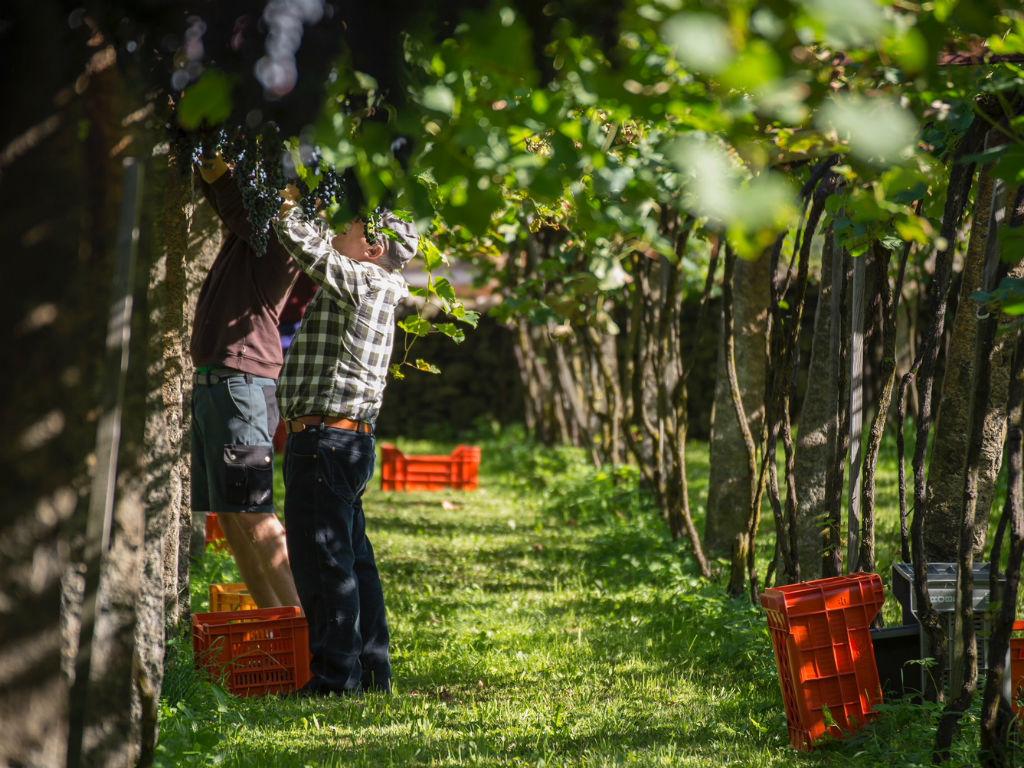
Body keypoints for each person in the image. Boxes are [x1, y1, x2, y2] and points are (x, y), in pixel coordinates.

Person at [271, 188, 418, 695]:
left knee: (322, 560)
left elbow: (308, 249)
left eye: (351, 228)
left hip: (324, 443)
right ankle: (372, 670)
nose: (338, 231)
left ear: (373, 247)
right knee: (353, 556)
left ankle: (335, 680)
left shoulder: (364, 280)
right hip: (345, 443)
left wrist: (286, 202)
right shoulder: (379, 286)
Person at [189, 154, 302, 609]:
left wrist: (208, 146)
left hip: (242, 384)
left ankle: (309, 633)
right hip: (221, 381)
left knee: (254, 514)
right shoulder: (248, 234)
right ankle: (278, 625)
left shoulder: (278, 232)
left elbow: (228, 193)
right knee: (234, 516)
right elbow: (223, 198)